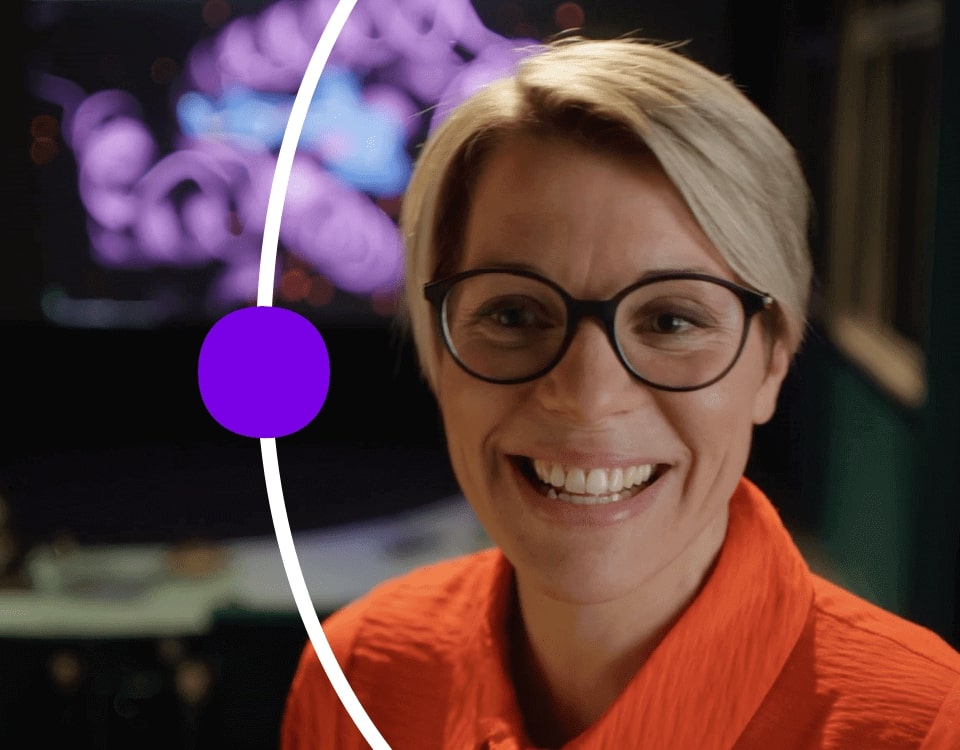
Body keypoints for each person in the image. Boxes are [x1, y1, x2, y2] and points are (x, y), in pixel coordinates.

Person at [281, 37, 960, 749]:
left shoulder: (922, 729)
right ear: (438, 353)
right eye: (514, 315)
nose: (587, 396)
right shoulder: (358, 676)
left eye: (670, 320)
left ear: (772, 362)